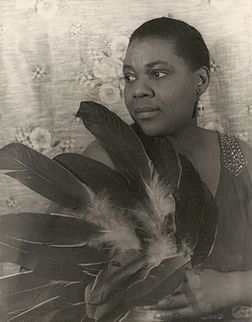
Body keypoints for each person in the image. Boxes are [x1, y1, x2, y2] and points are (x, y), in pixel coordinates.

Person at [83, 17, 252, 321]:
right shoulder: (104, 159)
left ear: (200, 81)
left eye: (157, 73)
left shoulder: (238, 159)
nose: (137, 91)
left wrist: (231, 287)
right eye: (129, 77)